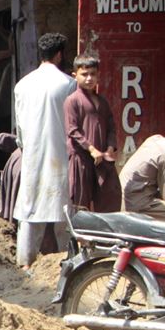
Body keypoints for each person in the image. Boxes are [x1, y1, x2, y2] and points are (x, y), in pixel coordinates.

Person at [12, 33, 74, 267]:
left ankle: (24, 264)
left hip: (33, 155)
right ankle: (69, 262)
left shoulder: (22, 85)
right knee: (64, 212)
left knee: (30, 210)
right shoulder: (68, 84)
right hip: (60, 156)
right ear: (59, 55)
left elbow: (20, 129)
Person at [63, 55, 120, 212]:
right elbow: (72, 130)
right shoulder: (72, 100)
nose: (89, 78)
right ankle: (80, 236)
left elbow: (111, 127)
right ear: (75, 76)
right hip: (81, 158)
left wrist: (109, 148)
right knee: (81, 204)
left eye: (93, 74)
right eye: (84, 74)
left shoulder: (102, 101)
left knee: (109, 198)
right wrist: (91, 149)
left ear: (98, 75)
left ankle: (101, 235)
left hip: (101, 159)